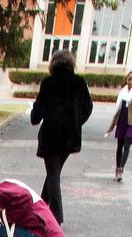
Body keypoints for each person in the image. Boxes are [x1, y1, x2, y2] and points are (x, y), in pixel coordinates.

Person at [29, 50, 92, 222]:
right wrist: (76, 122)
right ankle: (39, 207)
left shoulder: (49, 83)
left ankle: (56, 216)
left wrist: (35, 113)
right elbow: (88, 108)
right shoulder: (80, 82)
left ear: (54, 63)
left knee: (53, 174)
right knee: (53, 173)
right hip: (70, 137)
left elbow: (38, 112)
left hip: (51, 136)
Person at [106, 70, 132, 183]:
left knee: (127, 145)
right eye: (129, 79)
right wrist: (112, 124)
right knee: (119, 146)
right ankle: (117, 168)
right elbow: (118, 108)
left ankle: (121, 169)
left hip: (131, 122)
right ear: (126, 80)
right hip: (122, 119)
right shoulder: (123, 91)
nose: (131, 81)